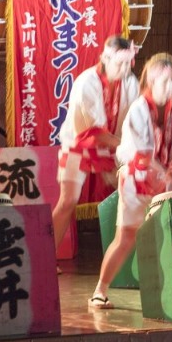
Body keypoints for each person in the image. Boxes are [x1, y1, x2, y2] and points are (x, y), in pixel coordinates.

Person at [88, 53, 172, 310]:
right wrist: (165, 180)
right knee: (126, 238)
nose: (169, 86)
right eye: (164, 81)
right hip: (135, 182)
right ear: (150, 80)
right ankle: (100, 291)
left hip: (168, 182)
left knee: (165, 238)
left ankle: (165, 295)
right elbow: (142, 157)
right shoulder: (138, 110)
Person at [51, 36, 140, 251]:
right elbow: (96, 132)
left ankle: (129, 257)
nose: (124, 68)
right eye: (120, 63)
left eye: (128, 63)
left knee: (134, 193)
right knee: (68, 202)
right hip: (78, 145)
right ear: (104, 59)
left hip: (113, 146)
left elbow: (134, 121)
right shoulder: (86, 82)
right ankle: (46, 257)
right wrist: (125, 146)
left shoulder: (130, 82)